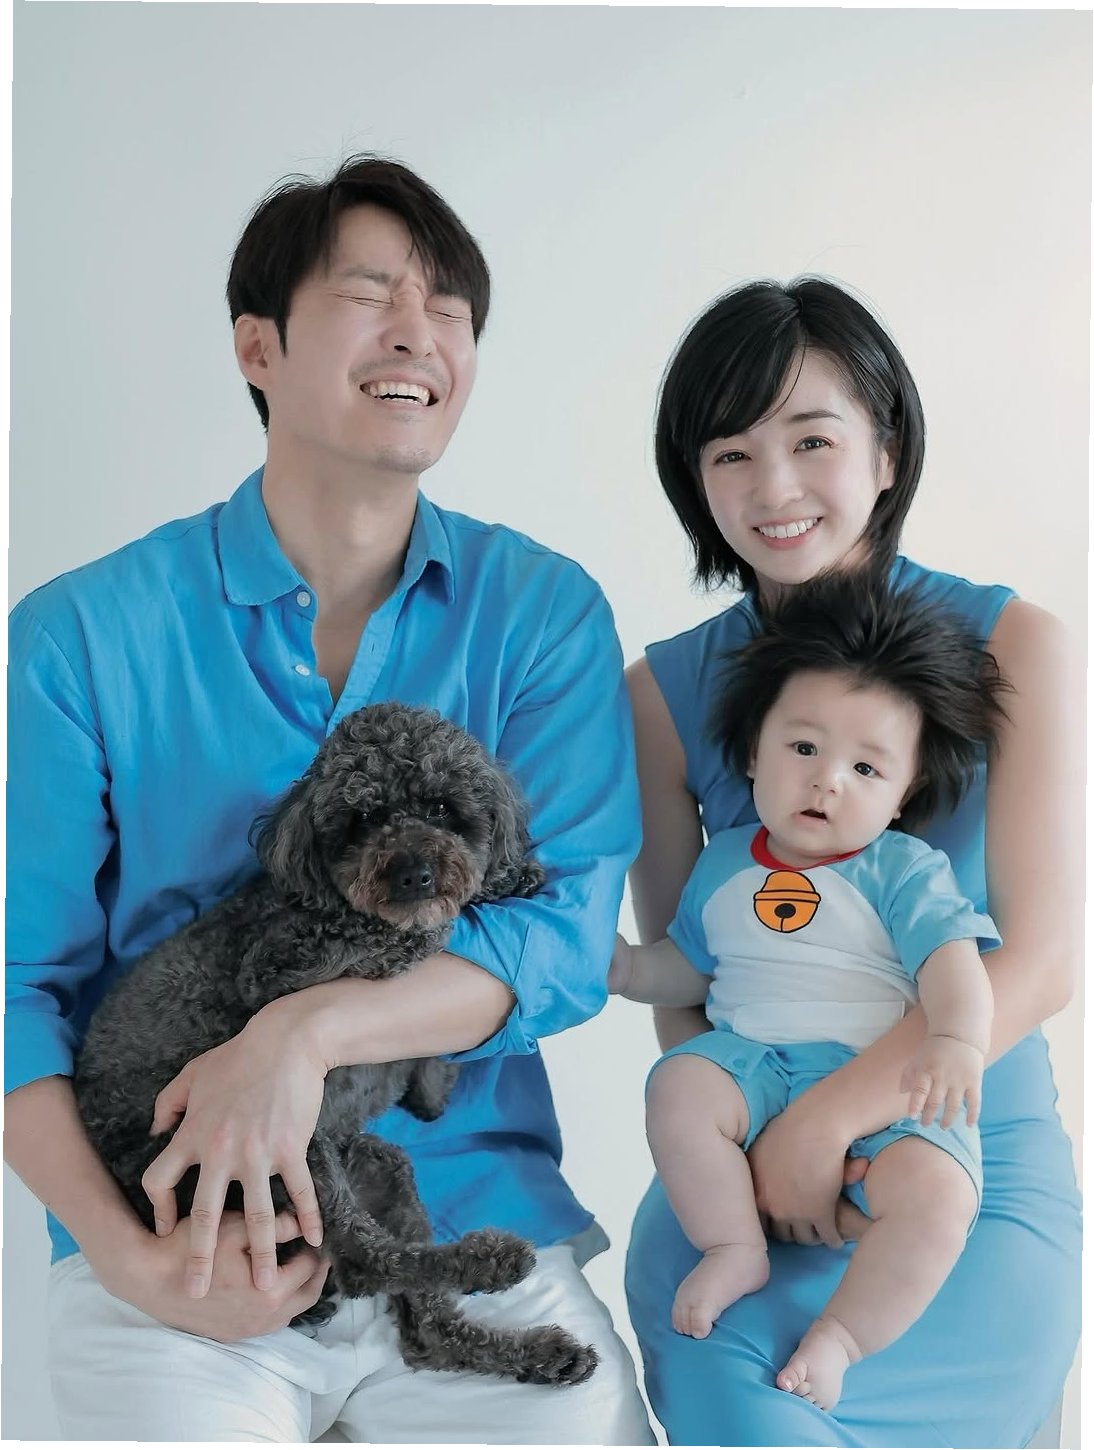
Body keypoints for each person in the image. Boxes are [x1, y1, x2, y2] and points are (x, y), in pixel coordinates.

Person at [5, 154, 655, 1444]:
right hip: (176, 1223)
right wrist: (129, 1261)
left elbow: (562, 934)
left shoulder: (542, 614)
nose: (418, 332)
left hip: (471, 1213)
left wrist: (296, 1039)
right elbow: (18, 987)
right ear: (259, 346)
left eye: (449, 309)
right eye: (370, 294)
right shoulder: (79, 635)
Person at [622, 277, 1082, 1447]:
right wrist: (759, 1143)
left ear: (885, 449)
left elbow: (1040, 962)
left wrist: (830, 1118)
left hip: (959, 1162)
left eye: (810, 440)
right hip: (746, 1179)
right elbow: (686, 976)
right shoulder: (660, 695)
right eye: (729, 453)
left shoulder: (1015, 645)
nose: (772, 487)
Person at [611, 576, 1007, 1410]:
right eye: (802, 749)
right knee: (678, 1087)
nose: (828, 781)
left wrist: (954, 1042)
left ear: (901, 797)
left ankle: (843, 1337)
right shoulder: (724, 862)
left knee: (938, 1198)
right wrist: (627, 970)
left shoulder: (902, 869)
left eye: (865, 768)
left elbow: (953, 963)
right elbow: (691, 966)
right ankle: (734, 1246)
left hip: (878, 1083)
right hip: (753, 1064)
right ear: (753, 755)